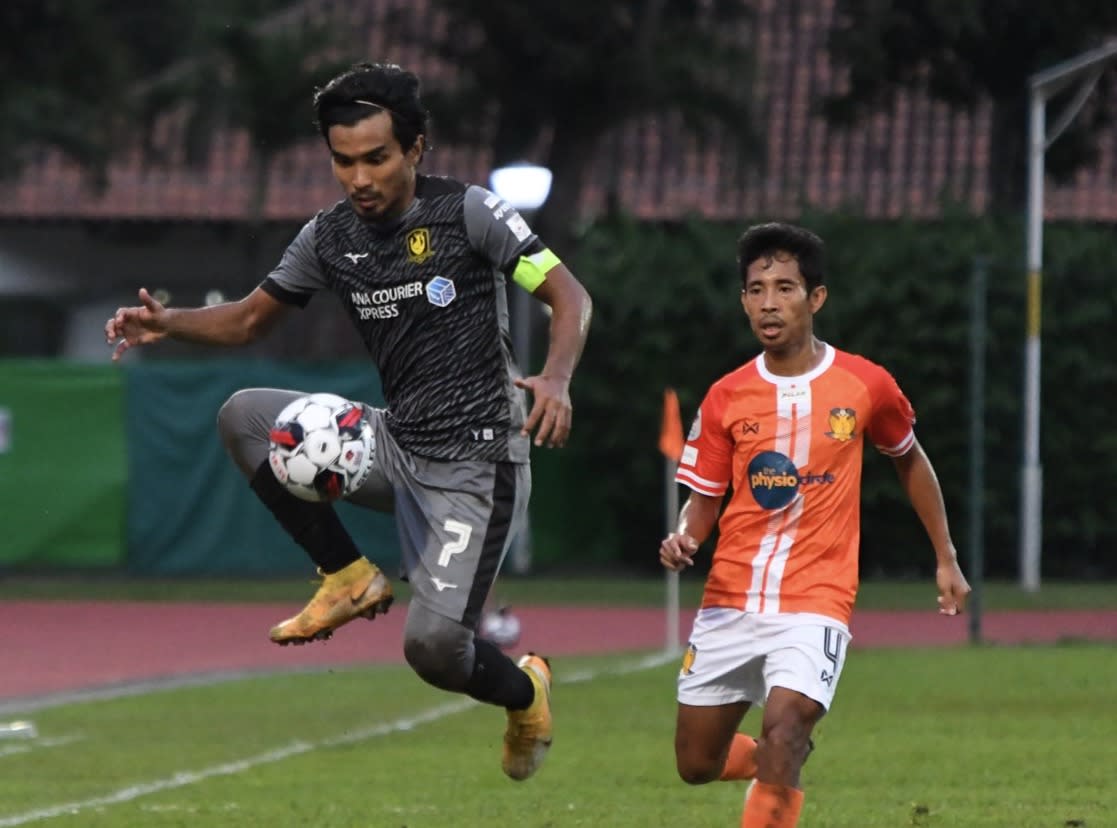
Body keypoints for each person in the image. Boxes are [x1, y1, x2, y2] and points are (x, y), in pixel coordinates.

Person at [104, 61, 592, 782]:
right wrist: (167, 322)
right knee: (244, 417)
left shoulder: (471, 214)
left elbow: (567, 296)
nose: (358, 178)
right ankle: (345, 574)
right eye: (342, 161)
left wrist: (554, 377)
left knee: (432, 651)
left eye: (376, 158)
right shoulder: (329, 239)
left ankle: (526, 693)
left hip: (475, 466)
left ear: (415, 148)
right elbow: (247, 321)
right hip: (395, 444)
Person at [658, 222, 969, 826]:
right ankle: (781, 754)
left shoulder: (865, 384)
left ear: (816, 297)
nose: (769, 303)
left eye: (784, 288)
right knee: (696, 763)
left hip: (817, 598)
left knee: (787, 721)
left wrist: (946, 556)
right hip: (731, 598)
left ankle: (785, 750)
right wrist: (686, 536)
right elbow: (703, 498)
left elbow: (908, 458)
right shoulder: (726, 396)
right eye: (755, 290)